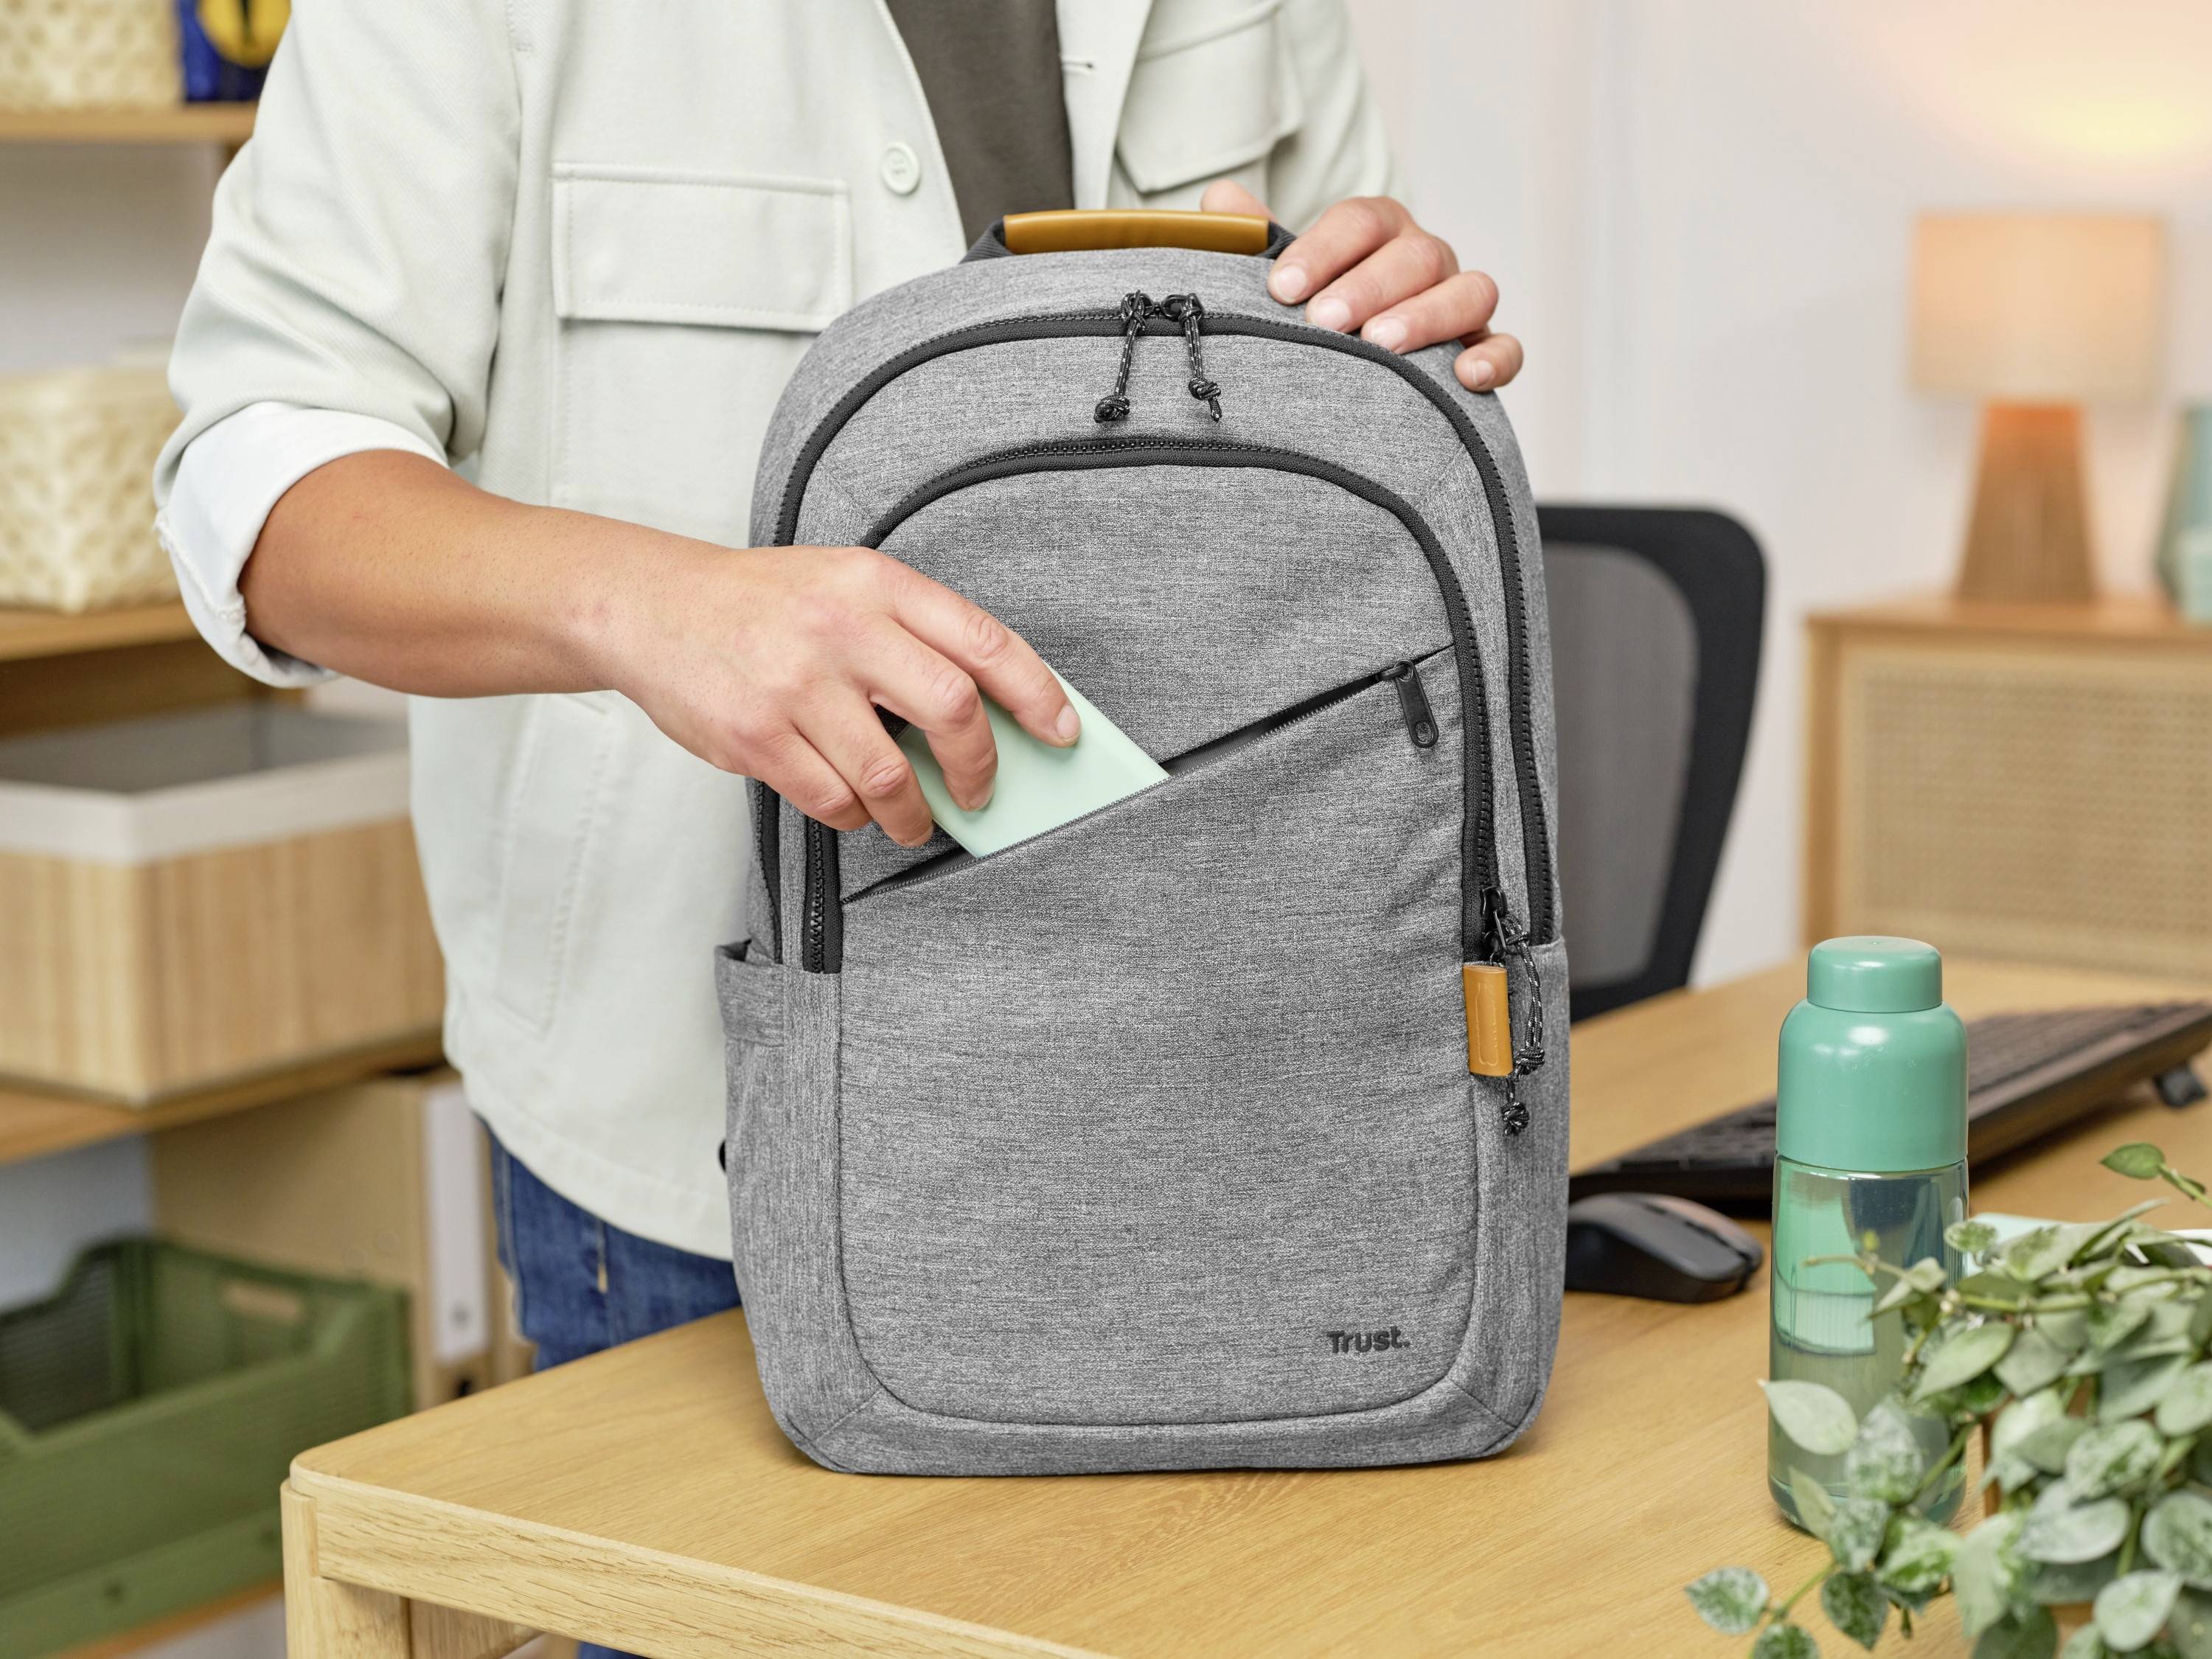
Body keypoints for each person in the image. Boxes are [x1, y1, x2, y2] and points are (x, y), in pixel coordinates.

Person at [156, 0, 1520, 1567]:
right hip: (701, 1158)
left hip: (1241, 1099)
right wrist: (647, 600)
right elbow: (255, 494)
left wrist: (1382, 309)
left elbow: (1338, 411)